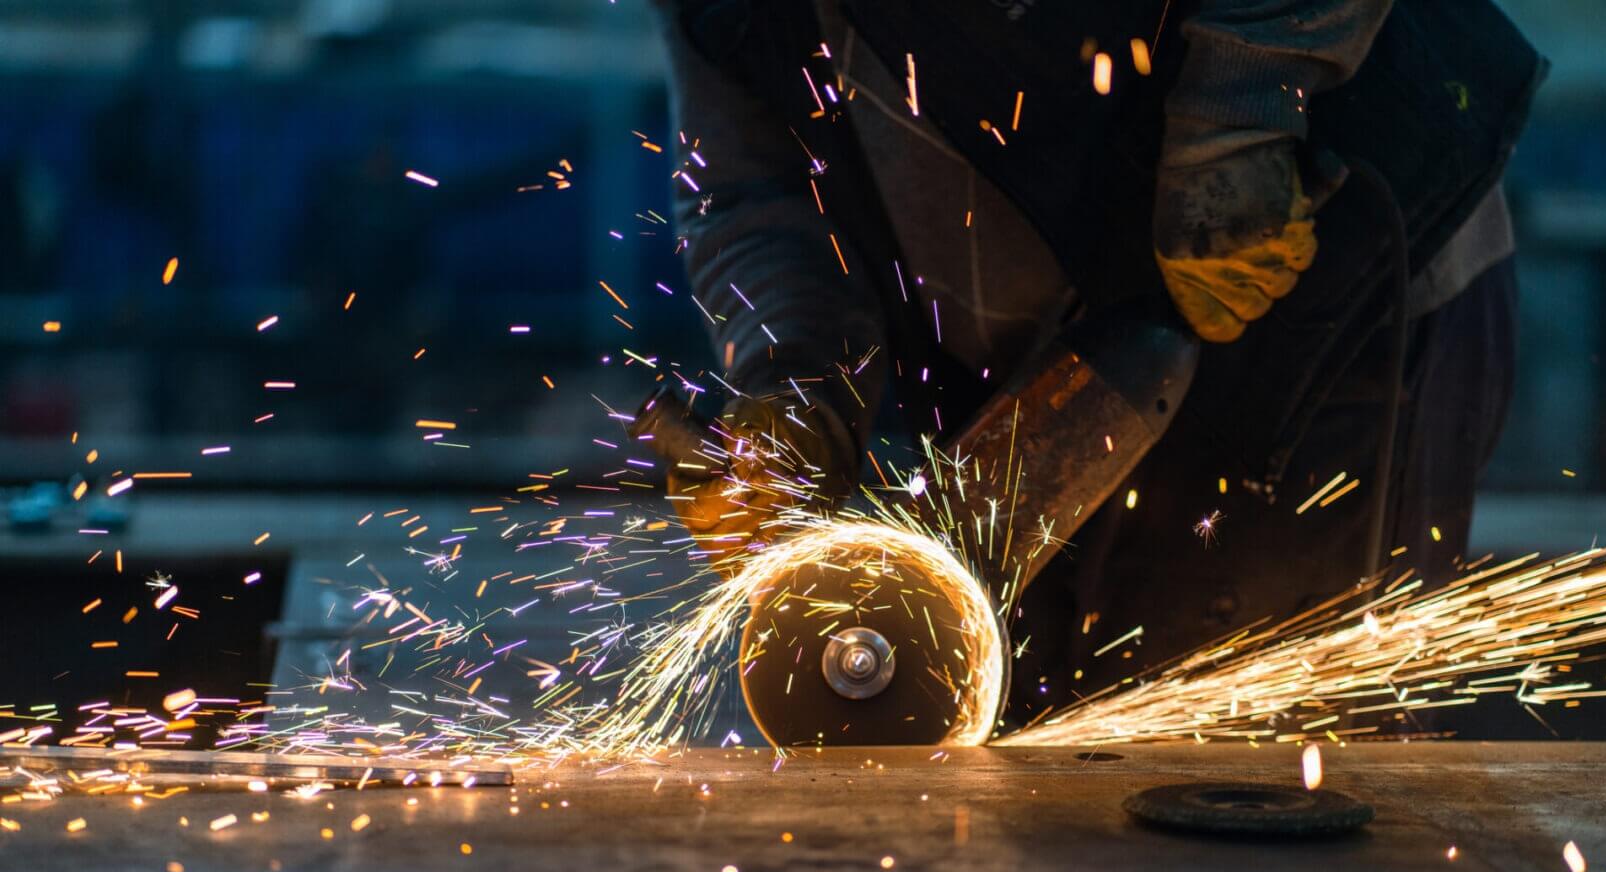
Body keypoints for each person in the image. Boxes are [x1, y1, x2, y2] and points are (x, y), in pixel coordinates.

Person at [652, 1, 1544, 727]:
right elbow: (750, 188)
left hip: (1321, 284)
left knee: (1270, 768)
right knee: (1048, 763)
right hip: (1018, 367)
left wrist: (1240, 113)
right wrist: (797, 380)